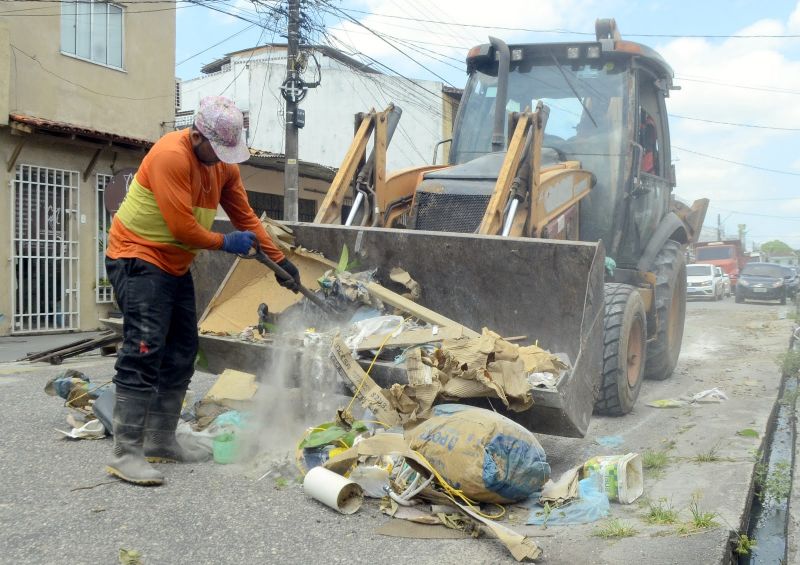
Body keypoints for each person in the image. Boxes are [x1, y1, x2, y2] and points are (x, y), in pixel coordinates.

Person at [104, 95, 300, 486]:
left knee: (181, 350)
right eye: (219, 149)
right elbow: (181, 229)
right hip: (138, 256)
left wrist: (280, 262)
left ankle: (160, 440)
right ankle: (126, 453)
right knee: (144, 349)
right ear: (197, 135)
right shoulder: (170, 157)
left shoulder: (222, 166)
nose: (225, 157)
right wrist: (227, 244)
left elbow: (245, 217)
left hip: (174, 264)